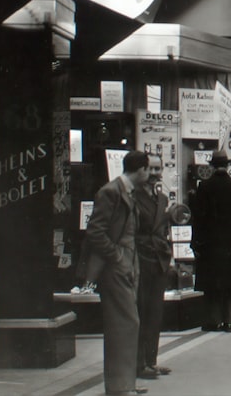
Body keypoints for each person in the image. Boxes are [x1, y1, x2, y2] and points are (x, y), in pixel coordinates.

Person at [84, 149, 151, 396]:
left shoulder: (127, 192)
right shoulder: (111, 192)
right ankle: (120, 386)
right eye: (149, 168)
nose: (152, 173)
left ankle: (125, 383)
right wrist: (117, 256)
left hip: (127, 267)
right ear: (141, 170)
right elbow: (96, 232)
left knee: (127, 325)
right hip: (116, 268)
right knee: (124, 324)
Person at [190, 149, 231, 333]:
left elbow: (198, 219)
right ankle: (229, 321)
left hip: (211, 246)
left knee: (213, 285)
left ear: (211, 166)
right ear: (228, 165)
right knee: (230, 284)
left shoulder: (204, 187)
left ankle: (213, 320)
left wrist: (196, 243)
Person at [135, 155, 173, 381]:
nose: (155, 173)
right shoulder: (134, 198)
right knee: (141, 312)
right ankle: (139, 363)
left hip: (159, 260)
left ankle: (151, 361)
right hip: (141, 258)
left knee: (155, 314)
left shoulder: (163, 199)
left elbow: (163, 230)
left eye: (159, 168)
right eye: (151, 168)